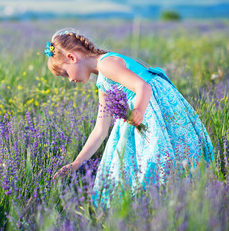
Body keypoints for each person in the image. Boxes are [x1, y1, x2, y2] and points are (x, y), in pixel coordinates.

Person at [47, 28, 214, 207]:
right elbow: (100, 130)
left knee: (156, 161)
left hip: (153, 108)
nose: (70, 80)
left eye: (66, 73)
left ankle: (166, 204)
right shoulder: (102, 82)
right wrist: (76, 163)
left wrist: (139, 111)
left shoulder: (106, 64)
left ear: (72, 58)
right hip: (143, 111)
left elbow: (143, 87)